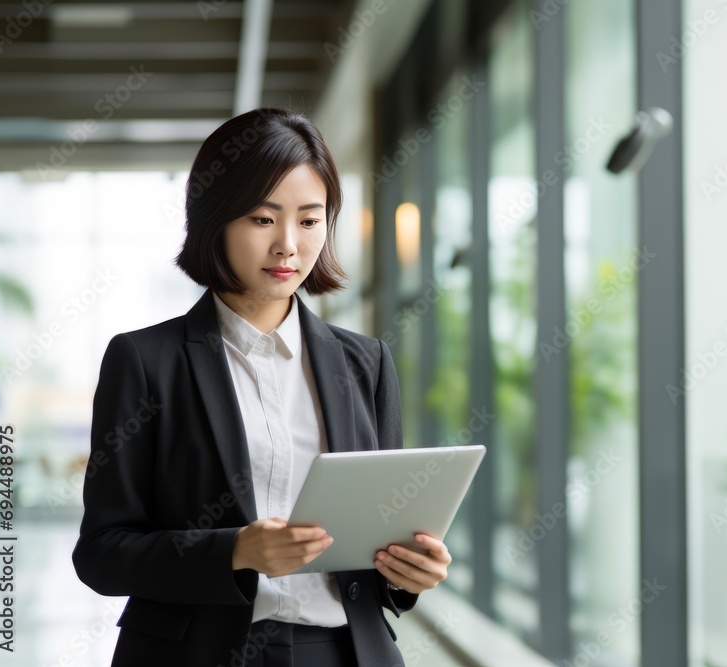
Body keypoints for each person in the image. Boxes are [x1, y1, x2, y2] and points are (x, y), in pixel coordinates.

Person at [72, 107, 451, 667]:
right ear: (214, 221)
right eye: (262, 219)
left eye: (309, 219)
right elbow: (103, 555)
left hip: (343, 651)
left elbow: (381, 538)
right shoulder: (145, 361)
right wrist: (236, 550)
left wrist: (410, 573)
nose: (288, 246)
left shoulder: (365, 362)